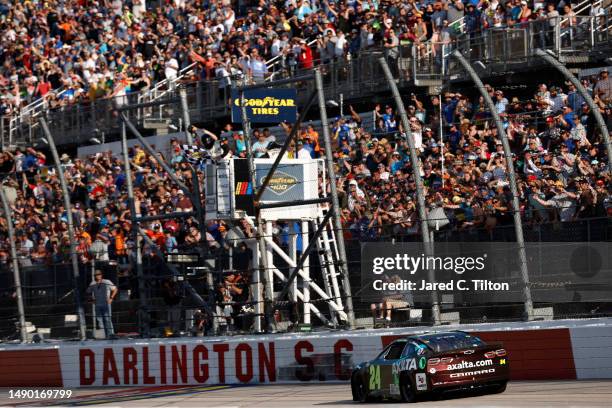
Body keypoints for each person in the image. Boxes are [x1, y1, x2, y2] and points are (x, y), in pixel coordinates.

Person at [86, 270, 118, 339]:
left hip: (106, 304)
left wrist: (111, 298)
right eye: (96, 275)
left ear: (101, 275)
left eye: (99, 274)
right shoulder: (93, 283)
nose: (98, 276)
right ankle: (104, 336)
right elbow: (88, 292)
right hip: (97, 304)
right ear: (94, 276)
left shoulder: (107, 281)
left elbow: (115, 289)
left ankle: (111, 335)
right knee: (99, 320)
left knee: (107, 319)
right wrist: (92, 299)